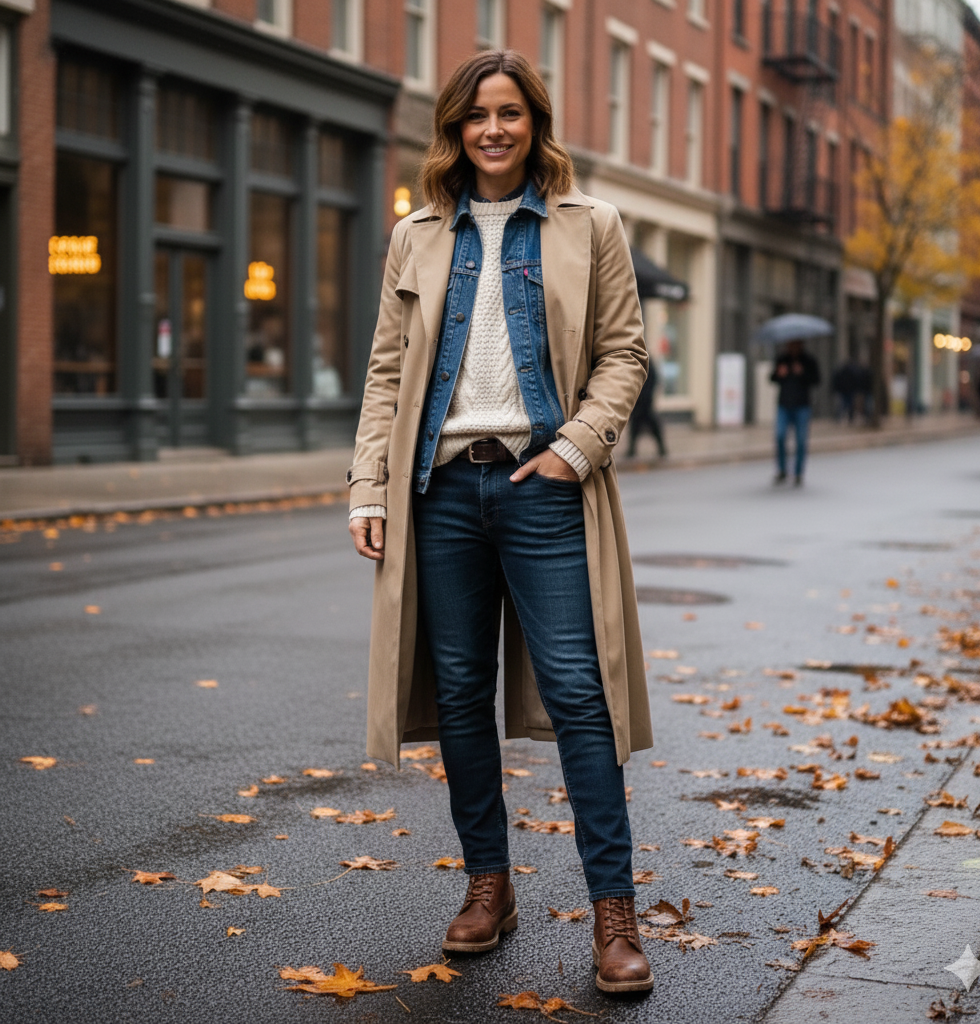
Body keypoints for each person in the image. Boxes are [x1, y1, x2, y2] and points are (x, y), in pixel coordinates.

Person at [346, 50, 654, 994]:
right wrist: (369, 484)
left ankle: (613, 914)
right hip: (439, 490)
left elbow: (623, 353)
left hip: (542, 487)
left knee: (577, 690)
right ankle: (490, 887)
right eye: (477, 114)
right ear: (454, 126)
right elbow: (388, 370)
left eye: (510, 113)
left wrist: (575, 449)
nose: (493, 129)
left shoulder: (588, 224)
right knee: (458, 692)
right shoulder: (418, 234)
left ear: (535, 122)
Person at [770, 338, 821, 486]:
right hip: (783, 405)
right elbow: (772, 378)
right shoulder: (782, 359)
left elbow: (816, 380)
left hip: (802, 406)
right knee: (779, 436)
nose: (792, 346)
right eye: (789, 344)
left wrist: (802, 373)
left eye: (795, 344)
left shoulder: (809, 360)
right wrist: (779, 374)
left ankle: (798, 473)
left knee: (800, 440)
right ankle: (782, 470)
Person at [627, 359, 666, 457]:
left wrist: (647, 396)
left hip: (645, 402)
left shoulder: (646, 363)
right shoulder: (636, 362)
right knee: (635, 426)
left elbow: (653, 380)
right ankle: (632, 450)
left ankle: (662, 448)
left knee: (652, 425)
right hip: (639, 402)